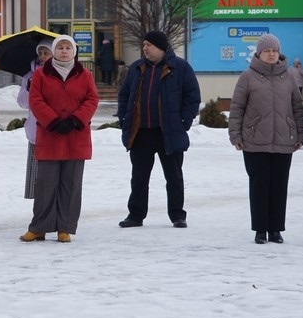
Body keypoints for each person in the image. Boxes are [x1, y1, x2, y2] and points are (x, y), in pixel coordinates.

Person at [116, 30, 200, 229]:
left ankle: (177, 215)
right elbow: (124, 95)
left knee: (174, 176)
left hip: (168, 132)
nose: (144, 48)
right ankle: (135, 215)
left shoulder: (180, 67)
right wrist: (124, 118)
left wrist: (183, 123)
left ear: (161, 48)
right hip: (141, 132)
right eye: (143, 45)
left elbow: (192, 97)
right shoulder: (137, 68)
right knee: (139, 177)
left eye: (149, 45)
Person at [21, 35, 98, 243]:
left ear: (74, 51)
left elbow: (92, 100)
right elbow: (35, 100)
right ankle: (39, 227)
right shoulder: (40, 75)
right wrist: (53, 121)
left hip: (76, 136)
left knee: (71, 185)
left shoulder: (86, 75)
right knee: (45, 184)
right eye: (60, 47)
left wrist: (75, 120)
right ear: (54, 51)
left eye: (68, 47)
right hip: (50, 135)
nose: (64, 51)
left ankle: (65, 228)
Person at [227, 34, 303, 245]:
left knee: (279, 187)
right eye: (266, 51)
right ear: (259, 53)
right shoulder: (247, 77)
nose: (271, 55)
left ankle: (276, 229)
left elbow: (297, 108)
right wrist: (235, 135)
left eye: (274, 51)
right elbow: (237, 108)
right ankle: (260, 229)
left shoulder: (288, 77)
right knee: (259, 186)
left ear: (279, 53)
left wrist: (299, 133)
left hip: (283, 141)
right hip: (254, 141)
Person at [16, 38, 55, 200]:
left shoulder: (60, 74)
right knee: (36, 175)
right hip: (35, 131)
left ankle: (52, 203)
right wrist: (28, 89)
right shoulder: (29, 76)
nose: (43, 56)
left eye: (46, 52)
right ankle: (38, 207)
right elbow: (23, 103)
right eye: (40, 53)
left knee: (52, 172)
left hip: (54, 129)